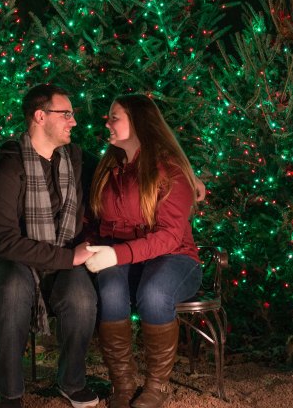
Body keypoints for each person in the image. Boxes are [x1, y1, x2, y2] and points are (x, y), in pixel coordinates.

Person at [0, 84, 99, 408]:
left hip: (63, 260)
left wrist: (189, 176)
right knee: (10, 289)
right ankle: (9, 393)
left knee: (80, 297)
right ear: (40, 116)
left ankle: (71, 382)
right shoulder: (10, 166)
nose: (73, 121)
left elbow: (123, 167)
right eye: (66, 114)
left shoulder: (75, 158)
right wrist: (67, 257)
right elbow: (4, 240)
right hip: (15, 261)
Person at [84, 94, 203, 408]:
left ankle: (157, 386)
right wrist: (87, 245)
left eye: (114, 116)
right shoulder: (108, 167)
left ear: (138, 122)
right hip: (119, 253)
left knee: (155, 293)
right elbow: (92, 219)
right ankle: (122, 384)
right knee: (109, 290)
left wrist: (116, 255)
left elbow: (168, 237)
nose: (106, 122)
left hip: (174, 256)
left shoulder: (170, 170)